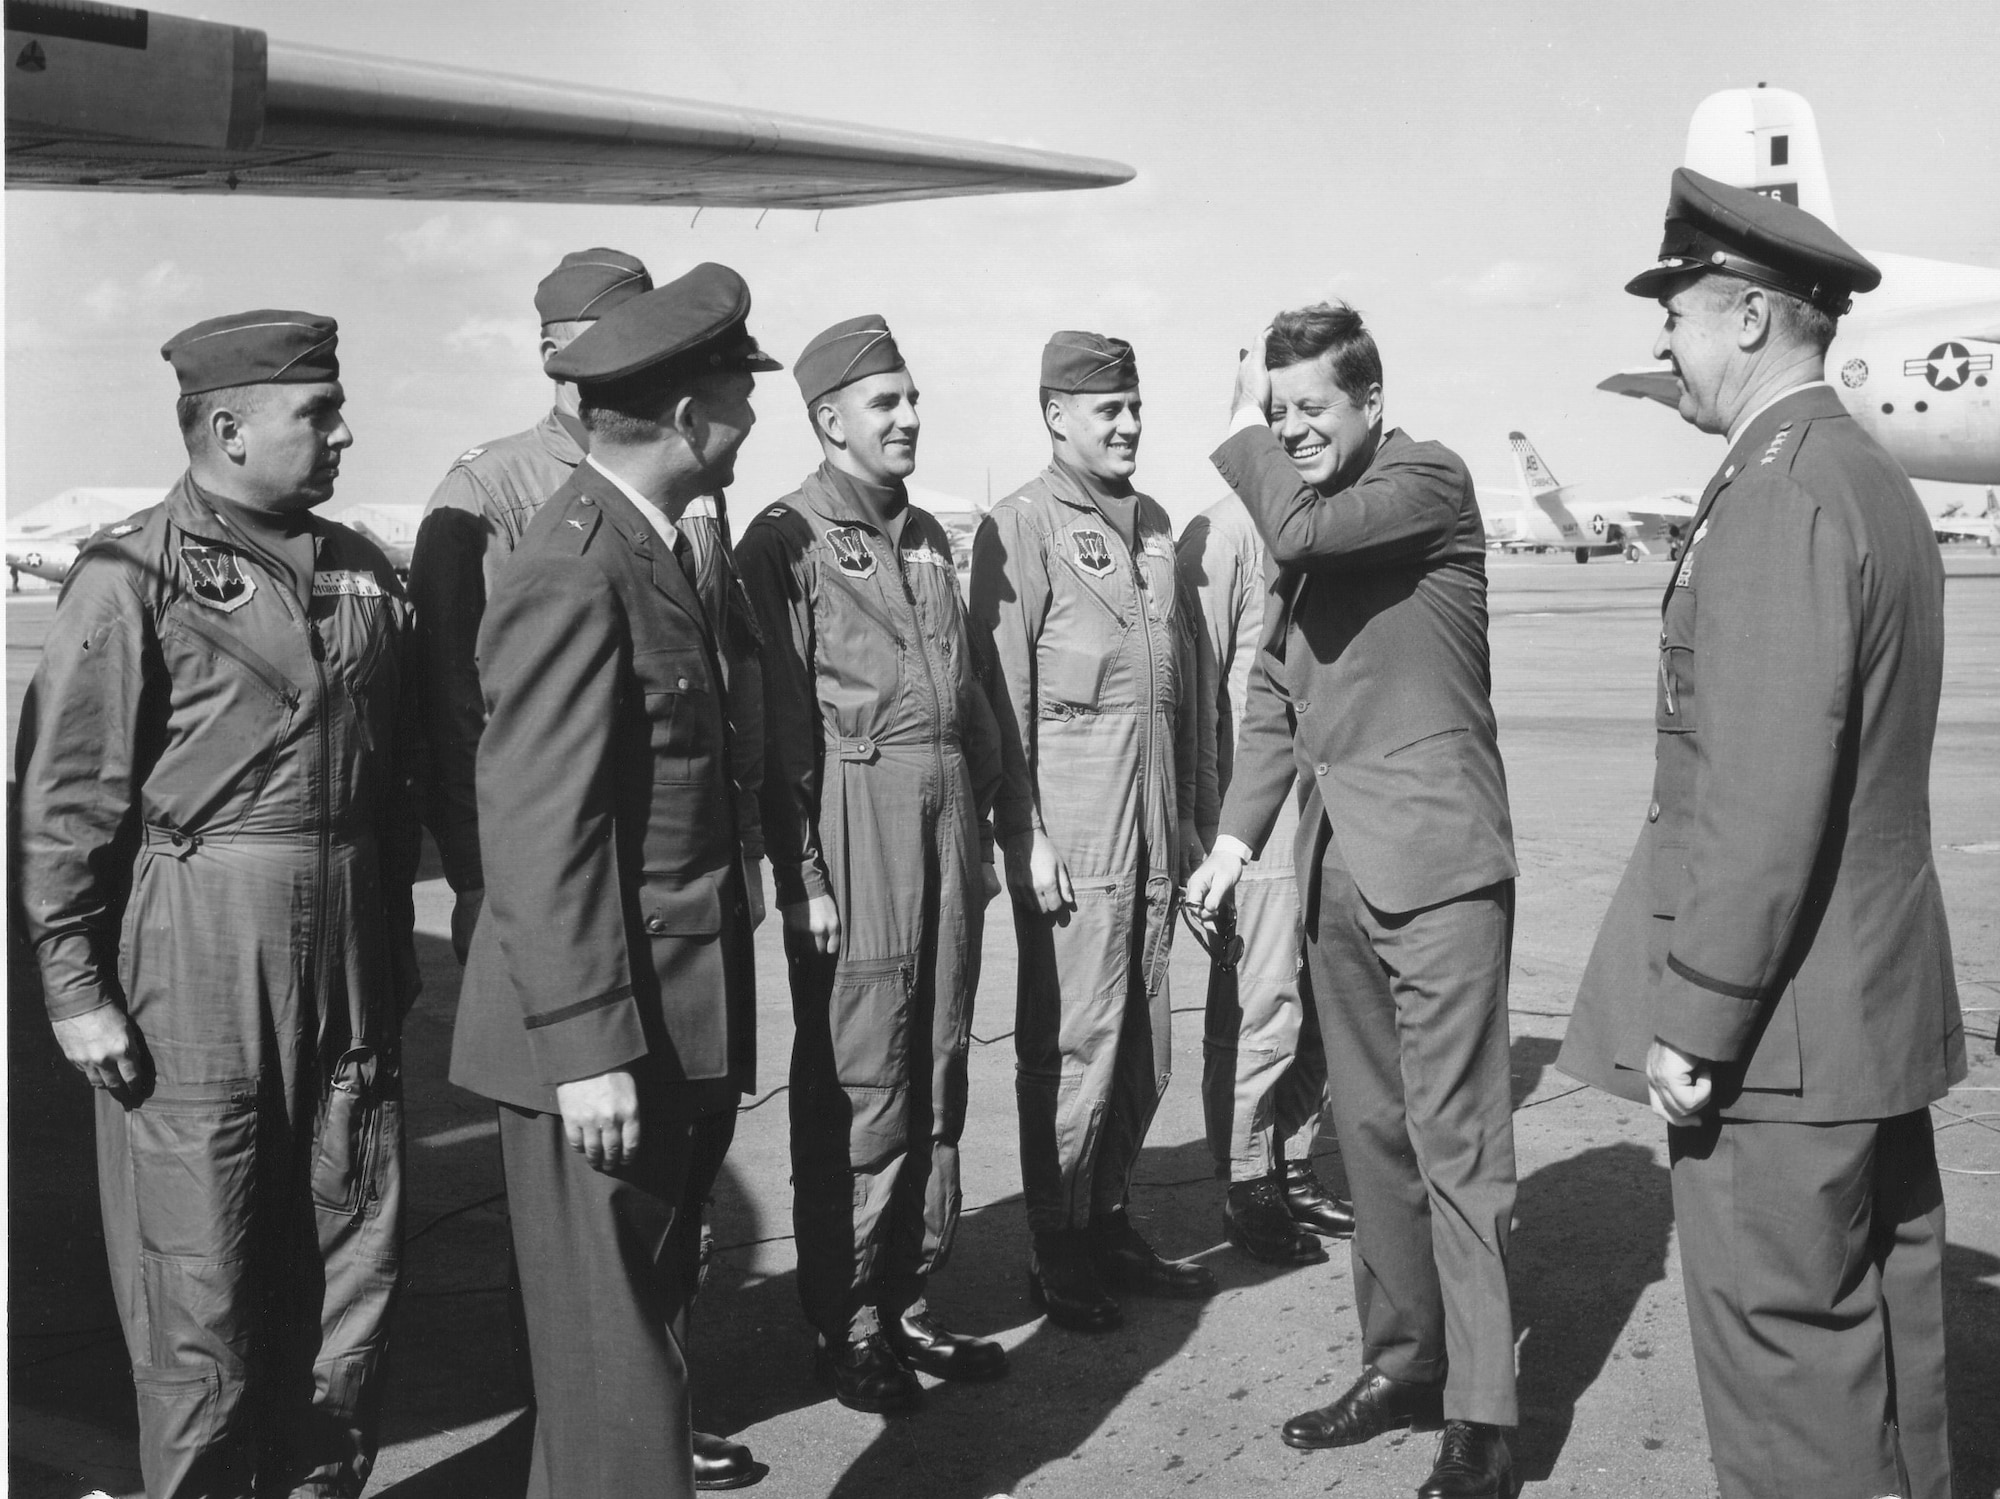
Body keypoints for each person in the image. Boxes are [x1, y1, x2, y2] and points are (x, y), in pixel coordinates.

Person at [1558, 170, 1964, 1499]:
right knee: (1888, 1362)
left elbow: (1762, 792)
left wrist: (1697, 1020)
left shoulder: (1779, 494)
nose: (1662, 341)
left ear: (1745, 319)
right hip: (1869, 1013)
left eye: (1674, 311)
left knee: (1790, 1378)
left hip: (1781, 1036)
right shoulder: (1868, 477)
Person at [15, 309, 417, 1499]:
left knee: (353, 1249)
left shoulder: (359, 567)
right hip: (198, 944)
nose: (343, 431)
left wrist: (386, 948)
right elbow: (66, 798)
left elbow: (394, 778)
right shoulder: (129, 575)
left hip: (345, 933)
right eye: (318, 412)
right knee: (203, 1268)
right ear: (228, 427)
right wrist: (75, 986)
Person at [409, 248, 766, 1490]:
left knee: (619, 1368)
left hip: (657, 1015)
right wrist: (583, 1045)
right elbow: (536, 823)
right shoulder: (576, 562)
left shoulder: (647, 543)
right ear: (684, 415)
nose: (752, 414)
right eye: (739, 391)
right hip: (600, 1035)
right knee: (619, 1372)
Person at [1185, 302, 1521, 1498]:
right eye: (1275, 412)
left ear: (1369, 402)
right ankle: (1402, 1362)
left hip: (1435, 870)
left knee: (1456, 1142)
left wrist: (1236, 435)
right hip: (1338, 873)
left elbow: (1296, 519)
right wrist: (1233, 840)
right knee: (1371, 1136)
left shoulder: (1424, 479)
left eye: (1308, 409)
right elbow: (1275, 696)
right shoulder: (1308, 535)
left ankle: (1483, 1415)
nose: (1291, 430)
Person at [736, 314, 1009, 1413]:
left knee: (937, 1055)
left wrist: (993, 822)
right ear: (828, 419)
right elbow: (778, 730)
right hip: (855, 817)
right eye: (883, 402)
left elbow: (972, 692)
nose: (906, 417)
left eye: (910, 397)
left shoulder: (932, 534)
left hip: (943, 817)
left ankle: (906, 1295)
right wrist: (800, 871)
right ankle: (844, 1317)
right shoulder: (784, 539)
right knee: (861, 1076)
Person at [969, 331, 1211, 1334]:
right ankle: (1056, 1242)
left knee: (1144, 1039)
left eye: (1133, 403)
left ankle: (1109, 1217)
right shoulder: (1017, 525)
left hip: (1155, 818)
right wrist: (1020, 832)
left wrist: (1193, 820)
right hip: (1075, 818)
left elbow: (1183, 690)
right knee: (1073, 1044)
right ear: (1054, 414)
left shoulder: (1154, 527)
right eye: (1103, 407)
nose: (1126, 422)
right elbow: (998, 697)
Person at [1176, 493, 1352, 1266]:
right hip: (1258, 802)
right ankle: (1248, 1177)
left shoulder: (1336, 519)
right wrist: (1210, 825)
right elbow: (1195, 687)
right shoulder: (1225, 536)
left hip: (1330, 793)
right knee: (1263, 998)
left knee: (1320, 991)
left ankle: (1295, 1159)